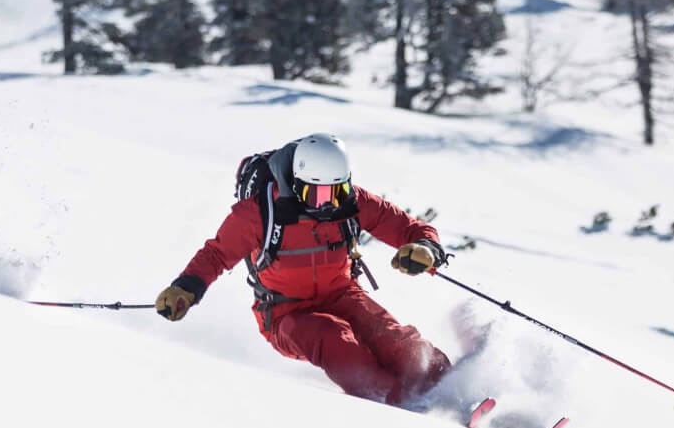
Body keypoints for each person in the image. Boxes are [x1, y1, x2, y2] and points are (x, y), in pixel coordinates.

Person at [155, 133, 452, 407]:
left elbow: (409, 228)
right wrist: (185, 288)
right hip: (285, 313)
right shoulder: (260, 213)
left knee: (394, 339)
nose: (329, 205)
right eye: (319, 196)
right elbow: (217, 254)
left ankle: (446, 386)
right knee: (336, 339)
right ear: (297, 186)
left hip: (342, 294)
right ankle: (396, 403)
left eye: (338, 191)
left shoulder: (351, 202)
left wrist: (425, 249)